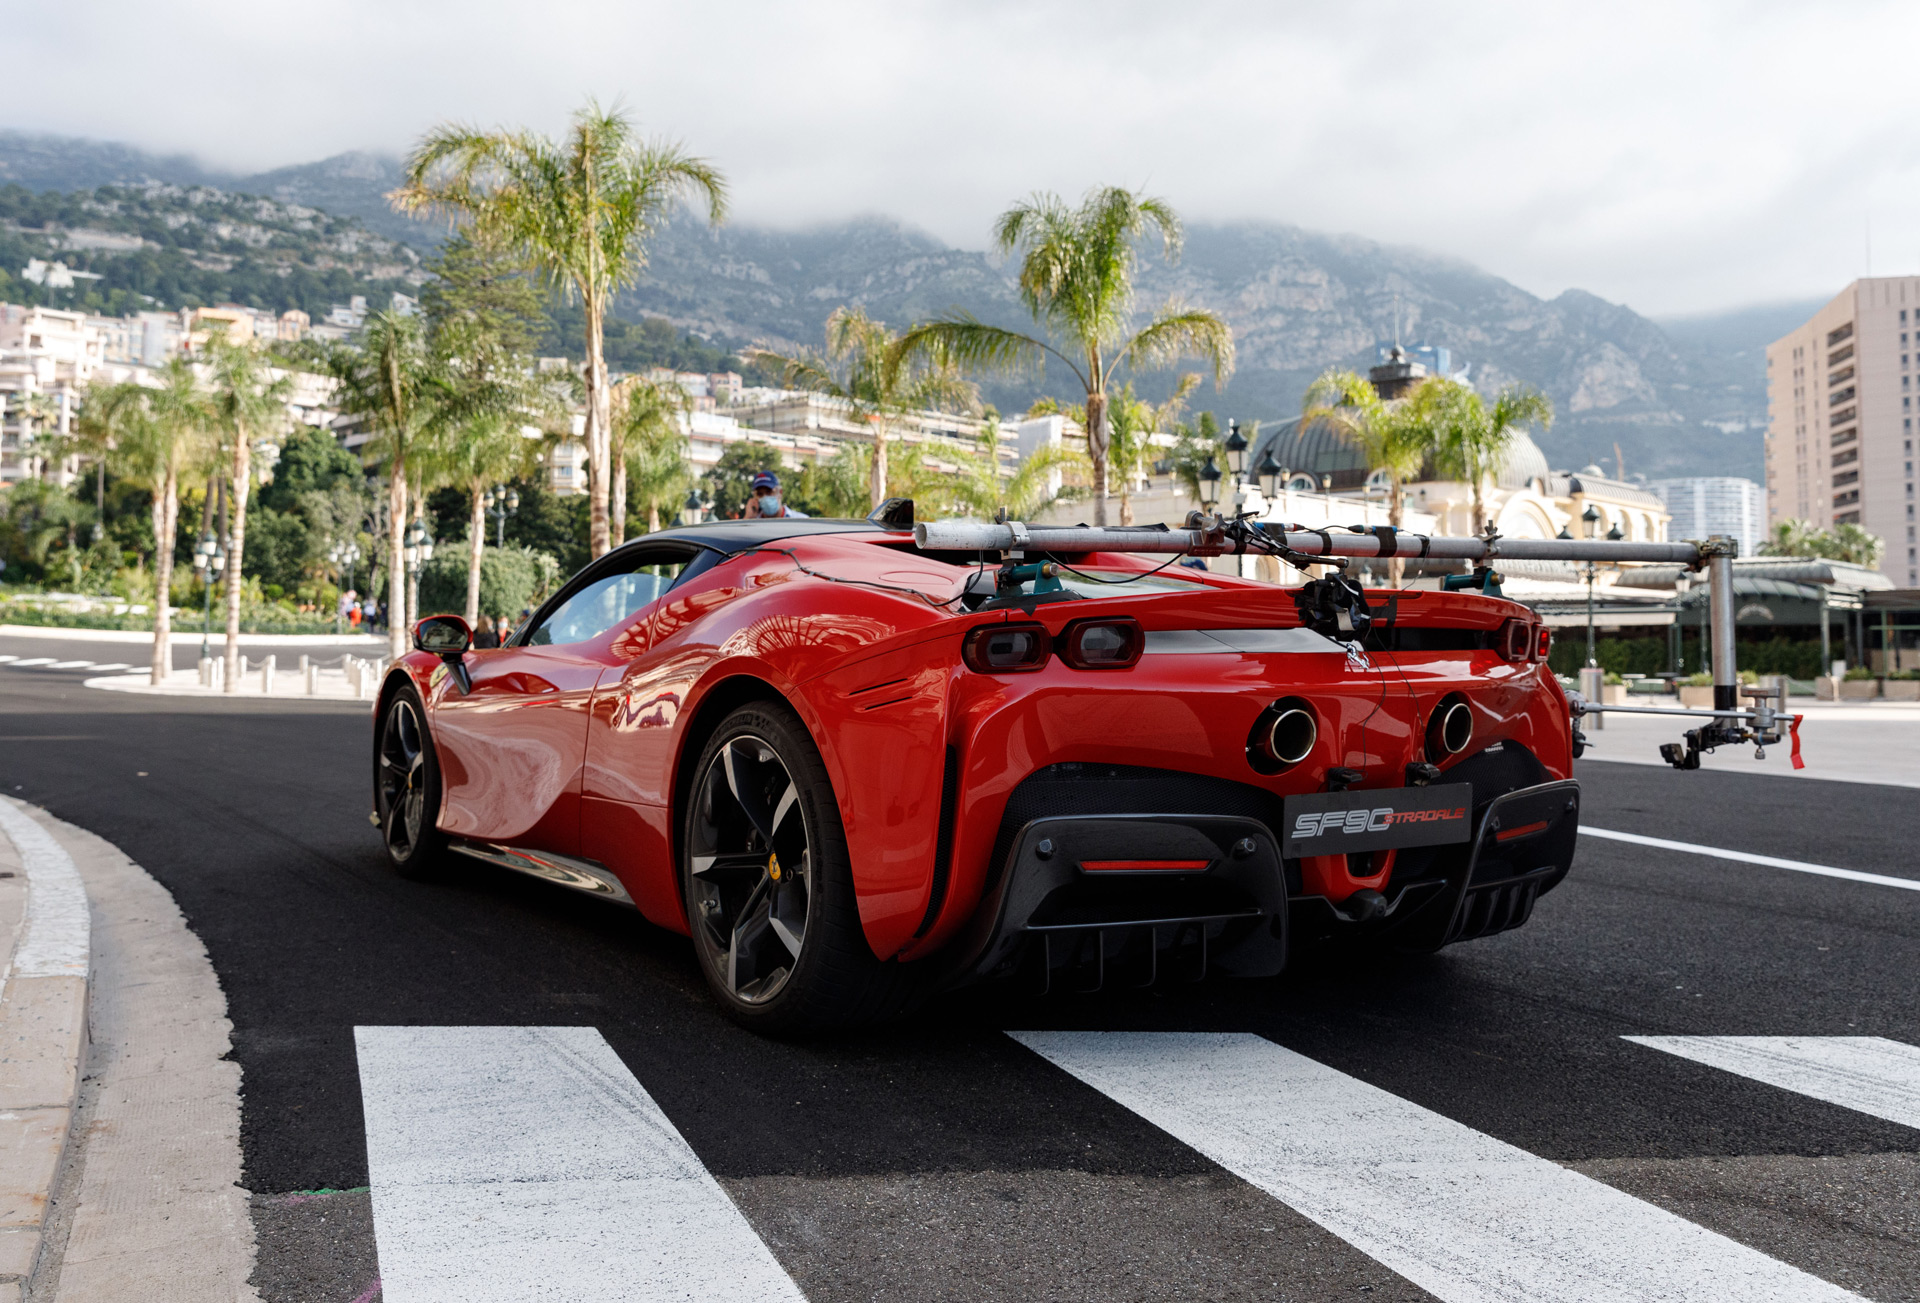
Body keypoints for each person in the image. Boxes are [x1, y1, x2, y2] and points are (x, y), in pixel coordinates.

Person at [738, 470, 808, 519]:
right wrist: (748, 518)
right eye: (760, 494)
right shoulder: (752, 523)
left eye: (769, 492)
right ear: (754, 497)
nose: (765, 497)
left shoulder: (801, 521)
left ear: (780, 492)